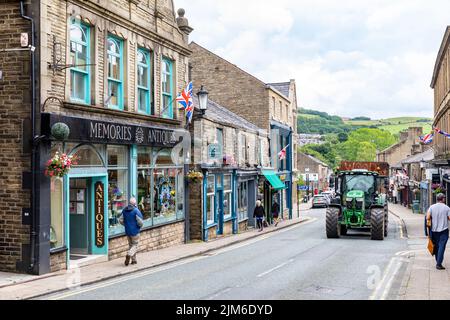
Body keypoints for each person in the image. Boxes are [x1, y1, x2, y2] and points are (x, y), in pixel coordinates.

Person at [426, 193, 450, 270]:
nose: (444, 199)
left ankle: (438, 261)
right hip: (444, 231)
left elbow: (428, 217)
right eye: (444, 198)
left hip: (434, 230)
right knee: (441, 247)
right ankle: (438, 264)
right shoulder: (447, 208)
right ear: (442, 199)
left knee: (436, 247)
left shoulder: (431, 207)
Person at [120, 197, 144, 266]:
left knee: (131, 245)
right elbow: (141, 222)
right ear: (135, 203)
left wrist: (126, 225)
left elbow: (120, 220)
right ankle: (129, 254)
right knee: (135, 245)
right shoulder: (136, 211)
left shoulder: (124, 210)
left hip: (127, 231)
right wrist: (139, 227)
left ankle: (134, 260)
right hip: (135, 231)